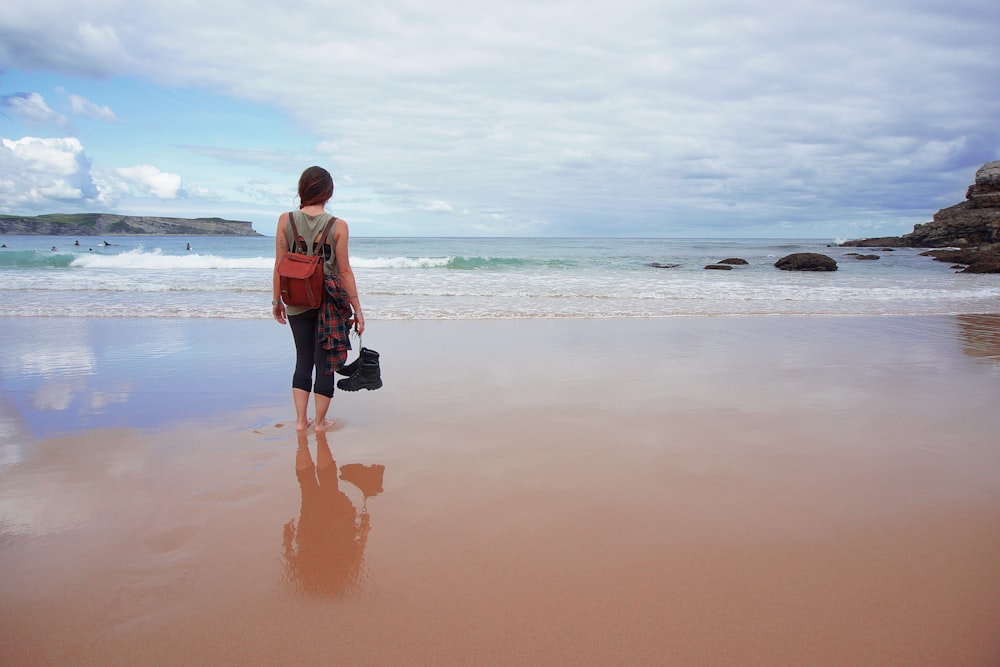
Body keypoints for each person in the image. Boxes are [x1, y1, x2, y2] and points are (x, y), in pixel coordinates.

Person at [272, 166, 364, 432]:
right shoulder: (338, 226)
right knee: (324, 364)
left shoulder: (285, 220)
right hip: (328, 303)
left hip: (296, 299)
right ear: (328, 192)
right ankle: (320, 422)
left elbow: (279, 264)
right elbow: (344, 270)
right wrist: (358, 309)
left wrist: (276, 301)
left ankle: (301, 422)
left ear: (303, 189)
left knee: (303, 359)